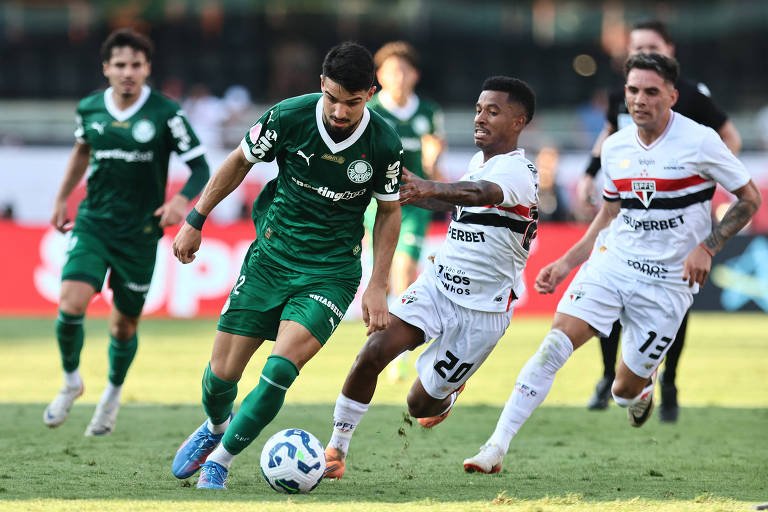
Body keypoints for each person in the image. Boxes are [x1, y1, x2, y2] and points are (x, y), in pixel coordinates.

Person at [463, 53, 761, 474]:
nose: (640, 100)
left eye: (651, 92)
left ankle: (640, 389)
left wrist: (708, 247)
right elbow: (608, 213)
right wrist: (567, 262)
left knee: (623, 391)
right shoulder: (616, 146)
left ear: (673, 96)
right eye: (633, 90)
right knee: (553, 346)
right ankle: (495, 447)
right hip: (614, 264)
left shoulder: (700, 142)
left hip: (668, 282)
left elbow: (750, 199)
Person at [169, 41, 403, 490]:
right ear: (322, 84)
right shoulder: (288, 116)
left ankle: (220, 461)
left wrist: (378, 284)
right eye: (332, 98)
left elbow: (390, 212)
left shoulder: (384, 143)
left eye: (352, 103)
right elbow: (239, 162)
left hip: (330, 274)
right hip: (270, 260)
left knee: (279, 370)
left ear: (370, 94)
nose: (339, 111)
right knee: (220, 378)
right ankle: (216, 426)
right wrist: (196, 218)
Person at [323, 76, 539, 480]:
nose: (480, 118)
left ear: (518, 122)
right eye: (478, 109)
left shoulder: (519, 171)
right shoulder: (480, 163)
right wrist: (412, 192)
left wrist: (429, 185)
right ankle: (336, 448)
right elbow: (459, 200)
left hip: (483, 311)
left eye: (493, 111)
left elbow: (478, 194)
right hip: (438, 285)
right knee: (373, 352)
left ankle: (448, 392)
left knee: (418, 405)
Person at [43, 28, 210, 436]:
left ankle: (112, 395)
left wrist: (180, 201)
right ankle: (70, 381)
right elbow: (82, 151)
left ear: (147, 68)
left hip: (140, 232)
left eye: (136, 64)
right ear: (106, 68)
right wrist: (62, 198)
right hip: (94, 222)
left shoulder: (166, 113)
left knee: (123, 327)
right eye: (120, 65)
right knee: (70, 303)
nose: (128, 72)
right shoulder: (89, 109)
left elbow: (201, 167)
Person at [576, 20, 743, 422]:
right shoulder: (622, 94)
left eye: (651, 46)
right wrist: (589, 172)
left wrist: (709, 180)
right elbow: (608, 136)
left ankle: (668, 382)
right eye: (636, 48)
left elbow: (730, 138)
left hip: (679, 221)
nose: (643, 53)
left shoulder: (693, 95)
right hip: (629, 212)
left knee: (673, 306)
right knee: (613, 298)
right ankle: (609, 376)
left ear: (670, 50)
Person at [366, 41, 446, 382]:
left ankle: (395, 352)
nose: (398, 77)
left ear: (415, 75)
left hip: (413, 202)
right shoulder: (371, 109)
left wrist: (433, 160)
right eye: (392, 71)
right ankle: (377, 340)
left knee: (405, 268)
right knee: (380, 274)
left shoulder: (427, 111)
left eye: (404, 71)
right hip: (376, 201)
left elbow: (434, 156)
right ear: (381, 76)